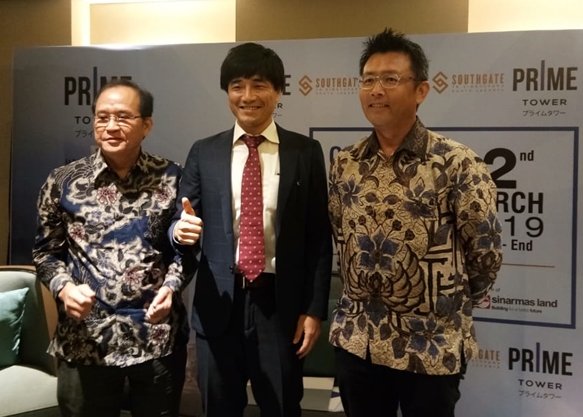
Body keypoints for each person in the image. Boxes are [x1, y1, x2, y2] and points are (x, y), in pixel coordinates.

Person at [328, 28, 503, 417]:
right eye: (368, 80)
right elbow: (340, 235)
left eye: (390, 79)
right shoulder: (345, 163)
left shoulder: (457, 162)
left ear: (421, 90)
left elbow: (485, 253)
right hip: (359, 342)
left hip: (431, 345)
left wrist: (445, 302)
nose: (376, 90)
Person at [171, 42, 332, 417]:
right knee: (219, 408)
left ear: (278, 91)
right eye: (237, 86)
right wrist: (180, 231)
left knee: (282, 407)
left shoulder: (305, 152)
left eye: (259, 85)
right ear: (227, 92)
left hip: (279, 308)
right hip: (218, 306)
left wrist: (314, 310)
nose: (247, 96)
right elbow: (182, 219)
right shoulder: (204, 151)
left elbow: (318, 238)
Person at [32, 79, 193, 417]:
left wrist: (172, 286)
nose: (111, 126)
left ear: (146, 125)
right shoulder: (62, 181)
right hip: (85, 342)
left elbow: (186, 251)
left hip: (156, 339)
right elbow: (46, 252)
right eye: (102, 117)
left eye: (123, 117)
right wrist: (64, 288)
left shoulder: (173, 177)